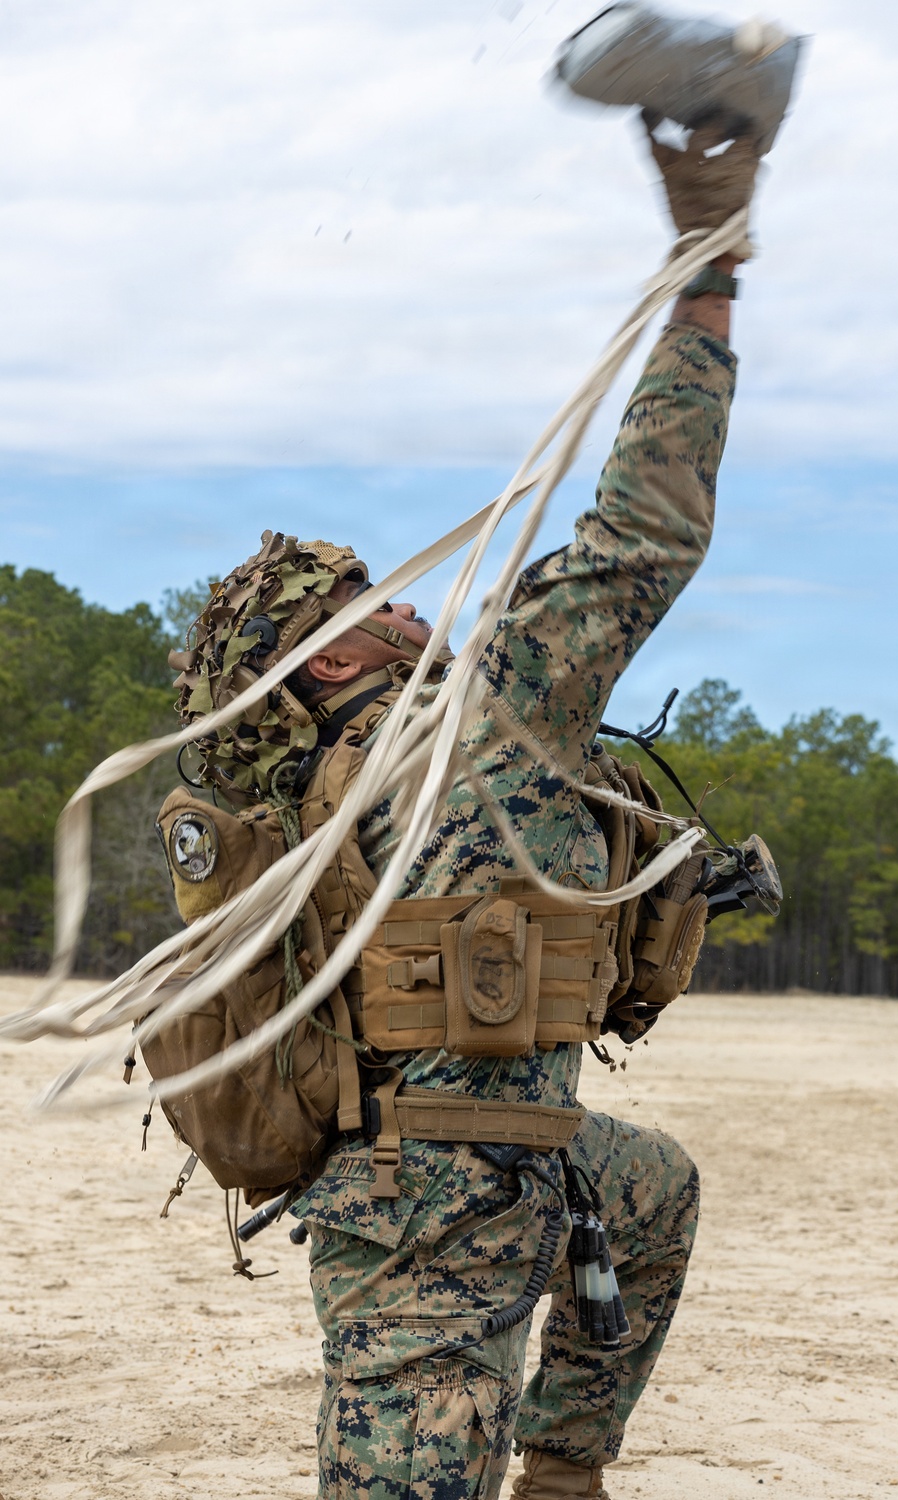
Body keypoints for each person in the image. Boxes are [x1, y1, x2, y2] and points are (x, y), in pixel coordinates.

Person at [167, 121, 763, 1500]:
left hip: (499, 1165)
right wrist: (711, 271)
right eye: (376, 603)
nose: (414, 603)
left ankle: (562, 1468)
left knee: (655, 1189)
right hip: (431, 1224)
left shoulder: (328, 794)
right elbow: (645, 528)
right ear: (325, 659)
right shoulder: (475, 718)